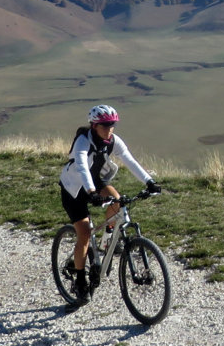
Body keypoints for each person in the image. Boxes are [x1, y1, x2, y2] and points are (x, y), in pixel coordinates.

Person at [58, 104, 159, 300]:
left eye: (112, 125)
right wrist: (92, 192)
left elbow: (130, 161)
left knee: (118, 203)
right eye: (105, 125)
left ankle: (107, 242)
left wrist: (149, 182)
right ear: (94, 125)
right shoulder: (82, 141)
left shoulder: (113, 140)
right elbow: (81, 167)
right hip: (74, 189)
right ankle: (79, 280)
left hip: (97, 182)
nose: (109, 129)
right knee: (85, 234)